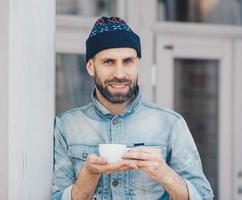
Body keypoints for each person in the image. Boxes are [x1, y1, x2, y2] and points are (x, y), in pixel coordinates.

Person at [51, 16, 214, 200]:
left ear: (137, 63)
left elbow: (204, 197)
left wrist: (164, 173)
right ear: (90, 66)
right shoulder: (65, 126)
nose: (119, 74)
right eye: (108, 62)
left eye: (127, 61)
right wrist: (88, 175)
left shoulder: (171, 124)